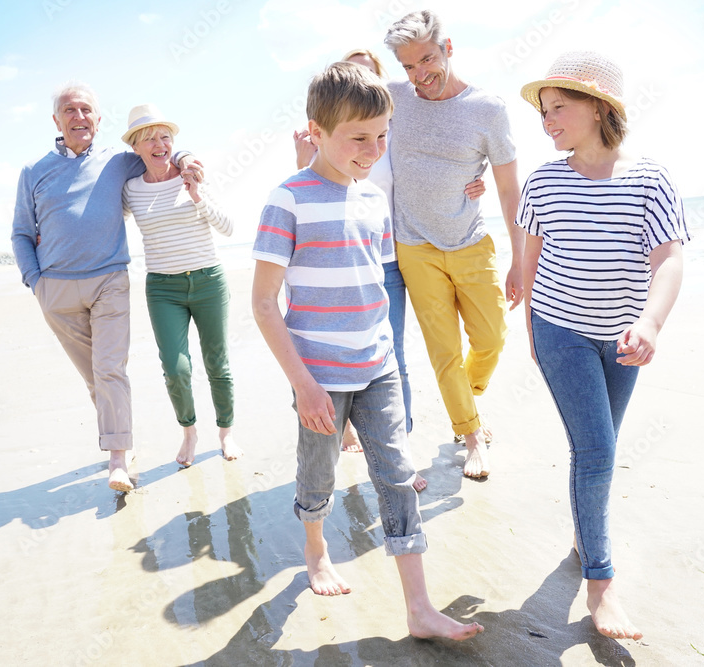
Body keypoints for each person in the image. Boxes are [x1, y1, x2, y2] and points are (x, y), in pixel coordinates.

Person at [252, 61, 482, 640]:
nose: (374, 149)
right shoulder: (288, 200)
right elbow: (262, 303)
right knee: (318, 478)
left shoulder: (374, 202)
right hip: (319, 378)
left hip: (377, 367)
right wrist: (303, 384)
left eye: (382, 136)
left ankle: (419, 609)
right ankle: (314, 549)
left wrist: (384, 349)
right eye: (359, 138)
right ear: (317, 130)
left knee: (398, 477)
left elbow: (372, 285)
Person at [516, 51, 689, 640]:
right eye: (544, 112)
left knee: (599, 449)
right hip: (560, 331)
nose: (548, 120)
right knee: (597, 454)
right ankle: (601, 584)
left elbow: (668, 259)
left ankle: (582, 532)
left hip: (622, 341)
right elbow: (532, 257)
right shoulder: (543, 180)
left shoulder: (650, 178)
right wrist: (533, 334)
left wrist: (651, 323)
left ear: (599, 107)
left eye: (558, 107)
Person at [292, 49, 485, 479]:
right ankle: (374, 448)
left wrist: (472, 179)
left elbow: (440, 160)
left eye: (369, 71)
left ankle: (437, 444)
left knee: (422, 351)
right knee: (365, 355)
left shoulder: (395, 130)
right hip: (358, 262)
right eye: (352, 69)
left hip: (404, 252)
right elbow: (310, 197)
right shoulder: (328, 134)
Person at [11, 82, 198, 493]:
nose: (79, 117)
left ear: (98, 118)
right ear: (56, 120)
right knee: (96, 377)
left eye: (86, 110)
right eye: (70, 110)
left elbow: (157, 151)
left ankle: (117, 458)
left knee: (110, 367)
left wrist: (185, 155)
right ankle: (122, 439)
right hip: (56, 290)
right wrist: (36, 283)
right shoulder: (33, 172)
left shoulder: (118, 161)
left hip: (109, 281)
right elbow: (22, 234)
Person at [383, 10, 524, 479]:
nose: (419, 75)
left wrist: (520, 258)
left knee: (491, 338)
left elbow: (508, 189)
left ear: (449, 47)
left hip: (469, 241)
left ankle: (466, 397)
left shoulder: (488, 108)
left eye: (426, 59)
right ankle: (470, 436)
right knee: (443, 351)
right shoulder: (394, 98)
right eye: (408, 67)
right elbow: (340, 99)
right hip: (413, 246)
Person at [121, 104, 242, 466]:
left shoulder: (195, 174)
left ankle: (226, 432)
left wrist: (196, 195)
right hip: (162, 288)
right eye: (149, 139)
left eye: (165, 137)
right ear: (137, 147)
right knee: (176, 368)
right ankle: (189, 432)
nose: (160, 145)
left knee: (216, 363)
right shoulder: (130, 189)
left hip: (208, 281)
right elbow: (102, 219)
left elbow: (229, 228)